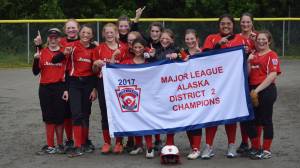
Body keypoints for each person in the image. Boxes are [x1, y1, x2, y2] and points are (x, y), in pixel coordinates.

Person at [201, 14, 248, 159]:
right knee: (212, 115)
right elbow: (204, 57)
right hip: (214, 84)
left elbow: (250, 56)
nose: (225, 26)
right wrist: (217, 45)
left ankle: (231, 145)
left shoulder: (241, 39)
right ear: (218, 25)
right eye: (222, 23)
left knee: (231, 115)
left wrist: (247, 53)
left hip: (233, 84)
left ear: (233, 25)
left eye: (228, 23)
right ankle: (209, 146)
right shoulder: (211, 38)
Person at [52, 24, 98, 157]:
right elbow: (55, 60)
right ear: (79, 33)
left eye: (88, 33)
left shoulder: (94, 49)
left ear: (92, 36)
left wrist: (95, 88)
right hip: (74, 83)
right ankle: (77, 146)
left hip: (88, 83)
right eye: (83, 32)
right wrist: (63, 53)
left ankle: (84, 142)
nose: (85, 35)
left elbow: (95, 72)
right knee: (76, 113)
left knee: (85, 114)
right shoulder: (72, 46)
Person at [92, 23, 127, 154]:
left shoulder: (123, 48)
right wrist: (96, 64)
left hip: (119, 86)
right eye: (107, 32)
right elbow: (94, 71)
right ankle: (107, 142)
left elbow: (128, 68)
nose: (109, 34)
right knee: (105, 113)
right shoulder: (99, 49)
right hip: (103, 84)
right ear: (103, 34)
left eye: (112, 32)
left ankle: (119, 142)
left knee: (119, 112)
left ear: (116, 33)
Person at [246, 30, 281, 159]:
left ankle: (266, 150)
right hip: (252, 89)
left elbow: (272, 75)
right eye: (258, 39)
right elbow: (248, 74)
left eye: (264, 39)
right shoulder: (253, 54)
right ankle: (256, 147)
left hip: (266, 90)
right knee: (249, 120)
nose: (261, 41)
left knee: (266, 120)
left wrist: (257, 90)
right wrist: (249, 62)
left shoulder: (272, 55)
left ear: (269, 41)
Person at [33, 28, 67, 155]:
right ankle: (50, 145)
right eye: (51, 37)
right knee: (48, 117)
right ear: (48, 38)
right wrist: (36, 58)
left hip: (59, 87)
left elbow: (68, 72)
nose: (53, 39)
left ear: (59, 39)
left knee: (59, 117)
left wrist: (66, 89)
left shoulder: (64, 52)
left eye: (55, 37)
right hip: (45, 88)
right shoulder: (42, 52)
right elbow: (35, 72)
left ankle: (59, 144)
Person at [120, 38, 155, 158]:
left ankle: (150, 146)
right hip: (132, 96)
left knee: (146, 120)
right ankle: (138, 145)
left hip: (146, 96)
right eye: (136, 47)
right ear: (132, 49)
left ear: (144, 48)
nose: (138, 49)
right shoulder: (126, 62)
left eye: (140, 47)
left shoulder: (149, 63)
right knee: (135, 119)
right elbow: (115, 72)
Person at [237, 12, 257, 155]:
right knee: (243, 113)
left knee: (257, 114)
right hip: (239, 80)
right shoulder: (236, 38)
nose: (245, 24)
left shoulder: (258, 38)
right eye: (243, 22)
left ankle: (256, 144)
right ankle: (244, 142)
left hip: (255, 80)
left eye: (248, 22)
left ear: (252, 23)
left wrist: (255, 43)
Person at [182, 29, 203, 160]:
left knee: (196, 120)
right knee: (188, 120)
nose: (190, 41)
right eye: (187, 39)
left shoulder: (203, 53)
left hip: (199, 91)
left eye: (192, 38)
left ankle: (196, 148)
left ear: (197, 39)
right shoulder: (181, 53)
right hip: (185, 91)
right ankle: (192, 145)